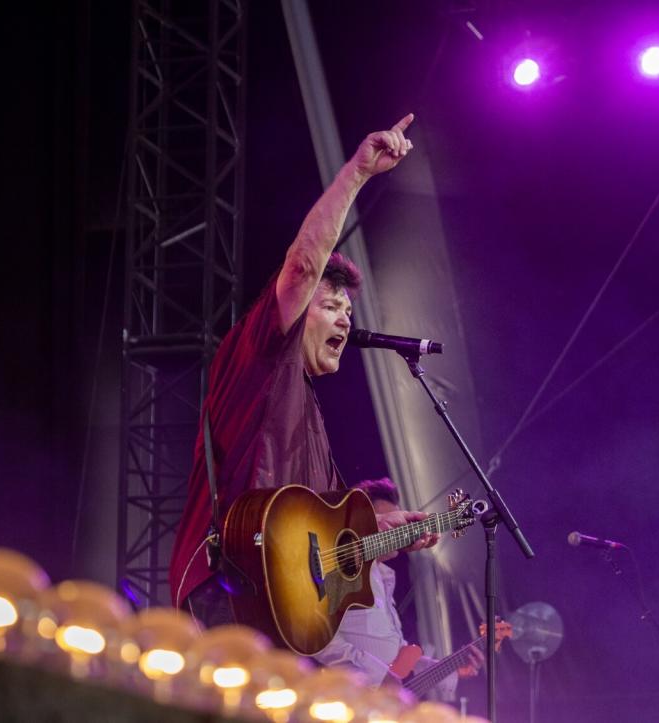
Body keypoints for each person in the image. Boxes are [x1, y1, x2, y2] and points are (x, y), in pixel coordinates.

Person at [168, 114, 439, 627]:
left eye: (350, 311)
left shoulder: (307, 411)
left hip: (282, 613)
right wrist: (357, 174)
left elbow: (316, 544)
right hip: (229, 590)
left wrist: (385, 529)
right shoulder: (261, 357)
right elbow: (303, 264)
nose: (346, 318)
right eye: (333, 305)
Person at [314, 478, 484, 701]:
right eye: (388, 526)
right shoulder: (337, 569)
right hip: (339, 697)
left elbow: (397, 653)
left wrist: (449, 669)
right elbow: (317, 638)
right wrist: (377, 675)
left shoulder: (383, 575)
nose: (397, 534)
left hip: (375, 702)